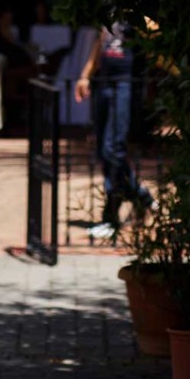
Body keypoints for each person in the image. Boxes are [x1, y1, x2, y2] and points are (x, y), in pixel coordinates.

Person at [75, 21, 155, 240]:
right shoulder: (110, 7)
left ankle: (111, 217)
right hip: (105, 80)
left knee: (114, 149)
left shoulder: (141, 9)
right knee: (103, 150)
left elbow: (155, 33)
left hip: (126, 82)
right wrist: (85, 75)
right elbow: (99, 41)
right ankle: (142, 197)